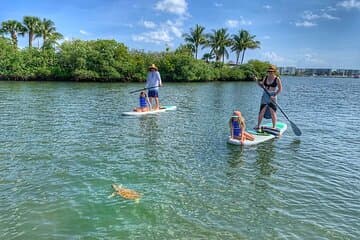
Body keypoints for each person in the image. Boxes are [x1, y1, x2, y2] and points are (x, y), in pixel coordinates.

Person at [255, 65, 282, 129]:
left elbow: (280, 89)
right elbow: (262, 86)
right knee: (262, 111)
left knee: (272, 112)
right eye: (269, 71)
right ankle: (258, 126)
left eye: (271, 71)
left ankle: (274, 127)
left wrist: (274, 95)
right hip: (265, 95)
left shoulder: (277, 79)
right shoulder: (266, 77)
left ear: (274, 72)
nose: (270, 72)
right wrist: (257, 81)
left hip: (272, 96)